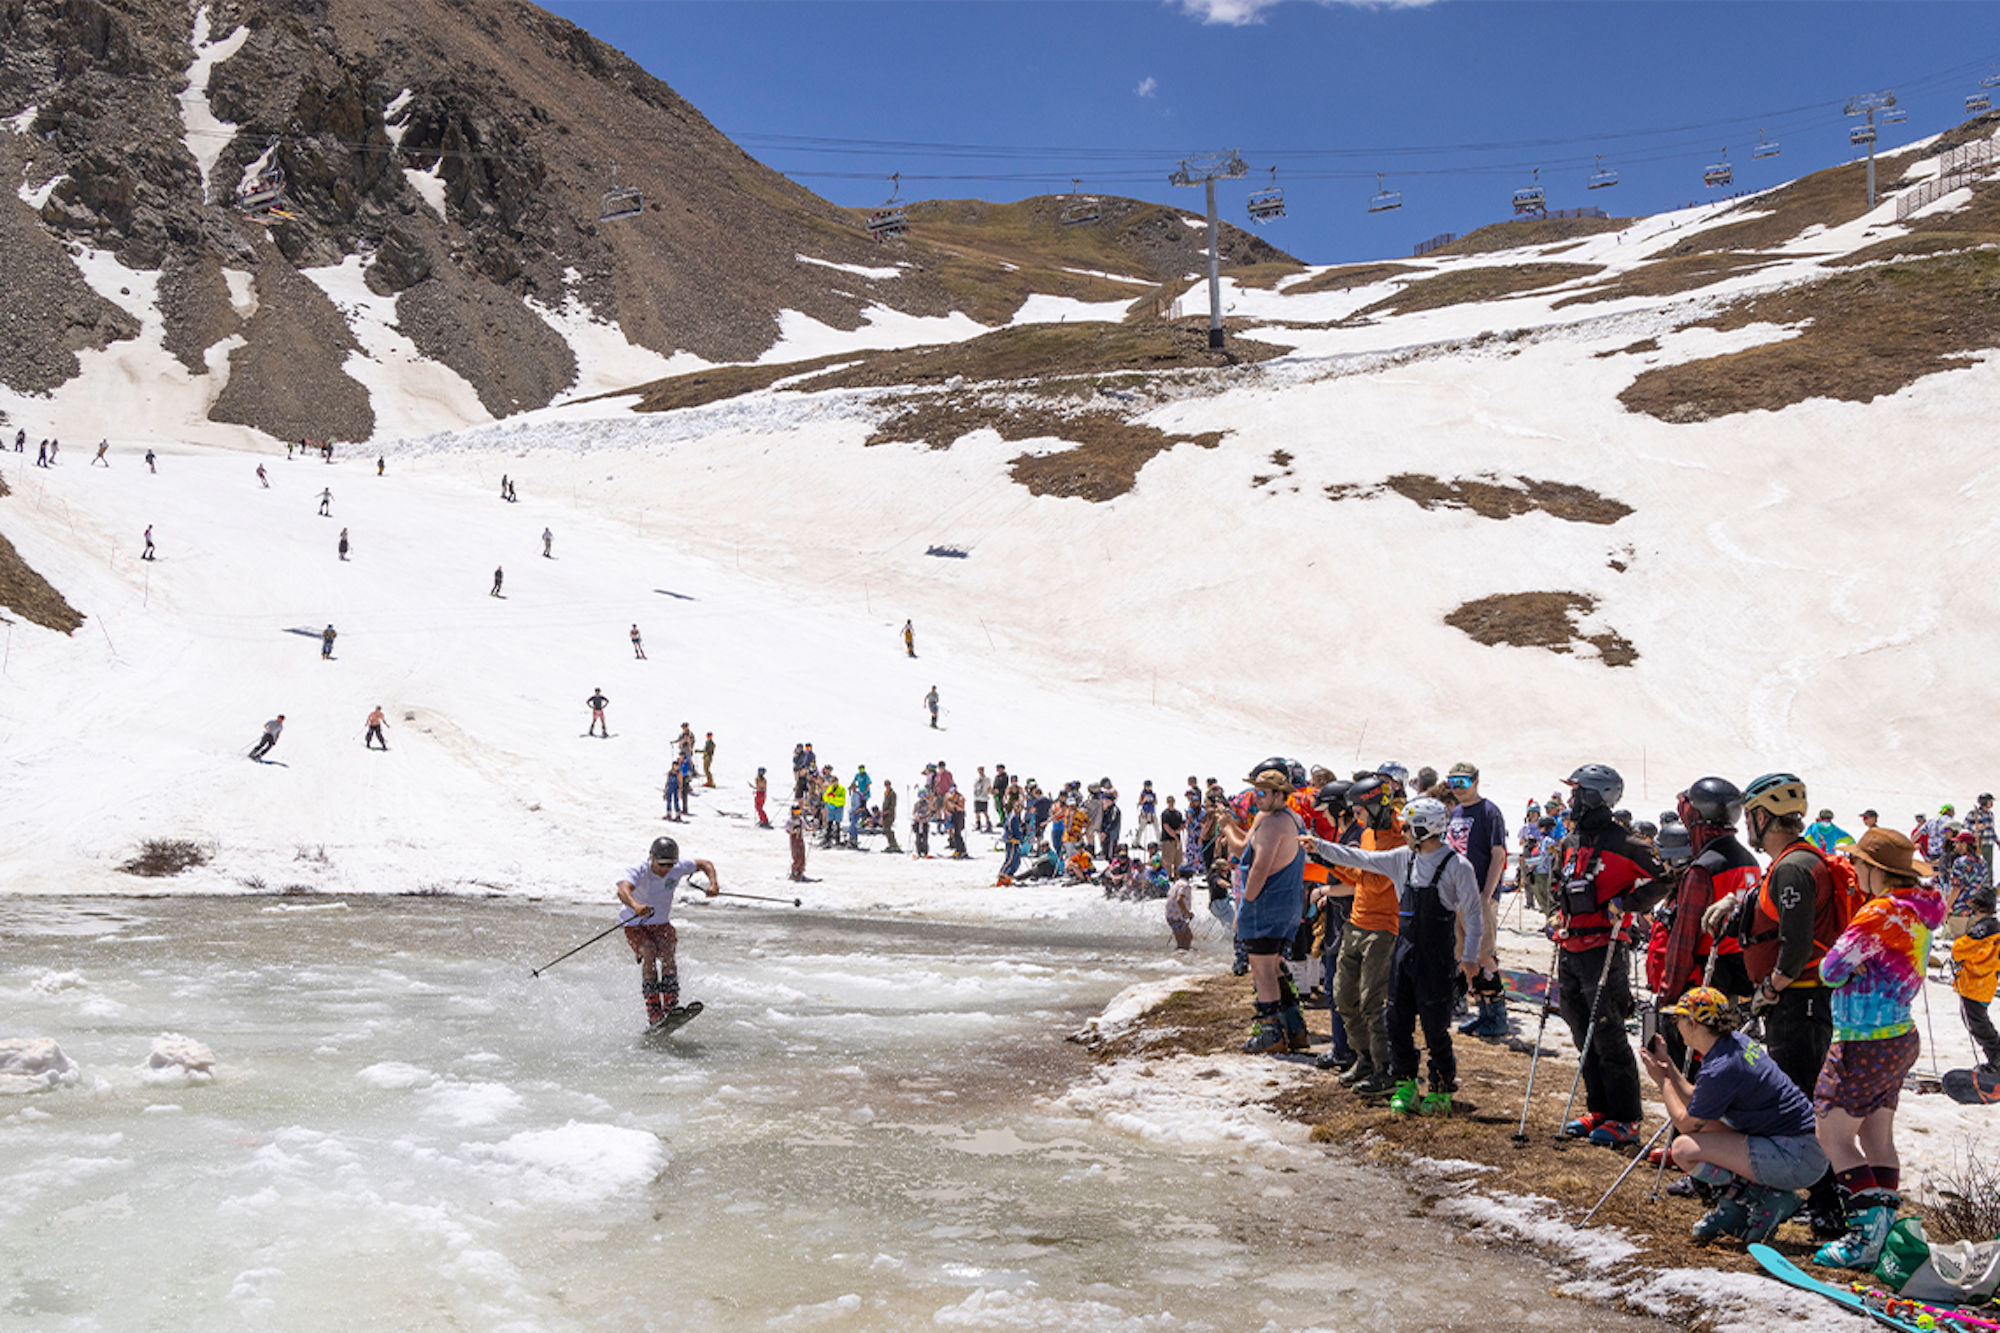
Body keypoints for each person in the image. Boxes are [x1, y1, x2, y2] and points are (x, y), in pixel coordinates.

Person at [1702, 771, 1849, 1236]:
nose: (1748, 823)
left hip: (1798, 1000)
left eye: (1751, 815)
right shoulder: (1791, 863)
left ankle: (1827, 1202)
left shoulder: (1792, 866)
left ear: (1763, 816)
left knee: (1800, 1101)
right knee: (1801, 1095)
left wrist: (1771, 988)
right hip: (1801, 999)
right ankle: (1819, 1195)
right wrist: (1738, 900)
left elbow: (1797, 940)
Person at [1812, 827, 1947, 1269]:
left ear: (1876, 871)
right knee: (1877, 1137)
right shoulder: (1920, 911)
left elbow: (1832, 969)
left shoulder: (1880, 913)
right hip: (1898, 1035)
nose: (1854, 873)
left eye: (1859, 866)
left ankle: (1863, 1238)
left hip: (1862, 1038)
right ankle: (1884, 1234)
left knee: (1831, 1132)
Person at [1308, 795, 1483, 1113]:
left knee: (1434, 1027)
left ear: (1423, 829)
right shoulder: (1403, 858)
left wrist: (1470, 957)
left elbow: (1473, 914)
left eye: (1407, 828)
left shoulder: (1458, 866)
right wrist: (1319, 847)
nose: (1402, 832)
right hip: (1403, 954)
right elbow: (1359, 858)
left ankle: (1441, 1087)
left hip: (1436, 957)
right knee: (1396, 1021)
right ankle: (1404, 1082)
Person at [1638, 986, 1830, 1243]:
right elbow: (1700, 1100)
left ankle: (1760, 1198)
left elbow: (1686, 1124)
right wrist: (1669, 1066)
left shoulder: (1722, 1066)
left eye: (1678, 1019)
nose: (1676, 1025)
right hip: (1802, 1147)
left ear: (1693, 1023)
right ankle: (1740, 1205)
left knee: (1685, 1150)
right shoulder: (1733, 1045)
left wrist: (1662, 1083)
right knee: (1706, 1131)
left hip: (1797, 1157)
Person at [1554, 763, 1669, 1148]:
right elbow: (1560, 880)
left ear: (1595, 796)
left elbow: (1666, 876)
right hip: (1570, 947)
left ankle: (1626, 1117)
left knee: (1608, 1034)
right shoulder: (1572, 841)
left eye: (1577, 793)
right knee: (1580, 1032)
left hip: (1605, 950)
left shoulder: (1627, 843)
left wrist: (1627, 903)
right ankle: (1600, 1109)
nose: (1571, 800)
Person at [1653, 778, 1758, 1068]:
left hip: (1701, 982)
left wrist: (1668, 996)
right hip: (1737, 980)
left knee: (1687, 1068)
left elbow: (1684, 940)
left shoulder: (1702, 869)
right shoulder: (1748, 859)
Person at [1236, 759, 1311, 1056]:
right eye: (1257, 792)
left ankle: (1270, 1031)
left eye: (1264, 793)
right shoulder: (1294, 819)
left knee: (1262, 969)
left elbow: (1259, 869)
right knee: (1276, 965)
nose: (1258, 798)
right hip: (1289, 905)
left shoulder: (1272, 823)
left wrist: (1247, 902)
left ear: (1280, 794)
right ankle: (1294, 1027)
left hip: (1265, 906)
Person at [614, 835, 720, 1025]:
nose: (665, 869)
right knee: (649, 951)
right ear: (651, 858)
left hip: (660, 922)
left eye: (669, 865)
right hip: (634, 922)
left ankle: (671, 1005)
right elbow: (623, 889)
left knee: (667, 952)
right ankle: (654, 1010)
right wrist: (636, 906)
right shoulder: (638, 869)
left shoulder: (677, 867)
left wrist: (713, 884)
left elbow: (705, 864)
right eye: (661, 864)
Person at [1443, 762, 1511, 1038]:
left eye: (1462, 782)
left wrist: (1487, 894)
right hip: (1456, 895)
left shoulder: (1489, 812)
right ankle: (1482, 1012)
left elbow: (1499, 854)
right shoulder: (1456, 812)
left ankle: (1497, 1016)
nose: (1458, 789)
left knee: (1484, 953)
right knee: (1464, 955)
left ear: (1476, 781)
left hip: (1479, 895)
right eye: (1453, 783)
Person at [1955, 887, 2000, 1072]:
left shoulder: (1982, 930)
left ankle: (1997, 1060)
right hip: (1987, 983)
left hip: (1974, 985)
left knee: (1979, 1025)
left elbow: (1959, 949)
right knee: (1980, 1022)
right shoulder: (1996, 927)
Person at [1945, 831, 1993, 939]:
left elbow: (1956, 888)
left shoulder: (1960, 862)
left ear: (1964, 844)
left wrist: (1947, 907)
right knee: (1972, 942)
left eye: (1957, 843)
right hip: (1977, 908)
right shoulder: (1982, 862)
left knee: (1959, 943)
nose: (1955, 845)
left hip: (1960, 907)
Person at [786, 804, 809, 881]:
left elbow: (805, 827)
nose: (797, 813)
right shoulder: (790, 820)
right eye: (795, 811)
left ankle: (800, 871)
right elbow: (788, 830)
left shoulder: (800, 819)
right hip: (794, 839)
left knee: (802, 854)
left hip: (800, 838)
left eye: (798, 811)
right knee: (796, 854)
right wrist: (793, 832)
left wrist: (812, 830)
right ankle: (794, 872)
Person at [880, 779, 901, 854]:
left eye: (888, 785)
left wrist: (887, 812)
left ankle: (893, 843)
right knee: (885, 829)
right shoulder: (886, 793)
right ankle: (891, 843)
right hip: (885, 814)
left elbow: (893, 805)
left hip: (890, 814)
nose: (887, 786)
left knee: (887, 829)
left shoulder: (892, 794)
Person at [973, 766, 992, 834]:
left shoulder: (987, 779)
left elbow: (989, 788)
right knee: (977, 812)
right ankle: (978, 823)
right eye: (979, 771)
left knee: (985, 812)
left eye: (981, 771)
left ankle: (988, 823)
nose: (980, 772)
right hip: (977, 797)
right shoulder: (976, 779)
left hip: (984, 798)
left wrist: (991, 793)